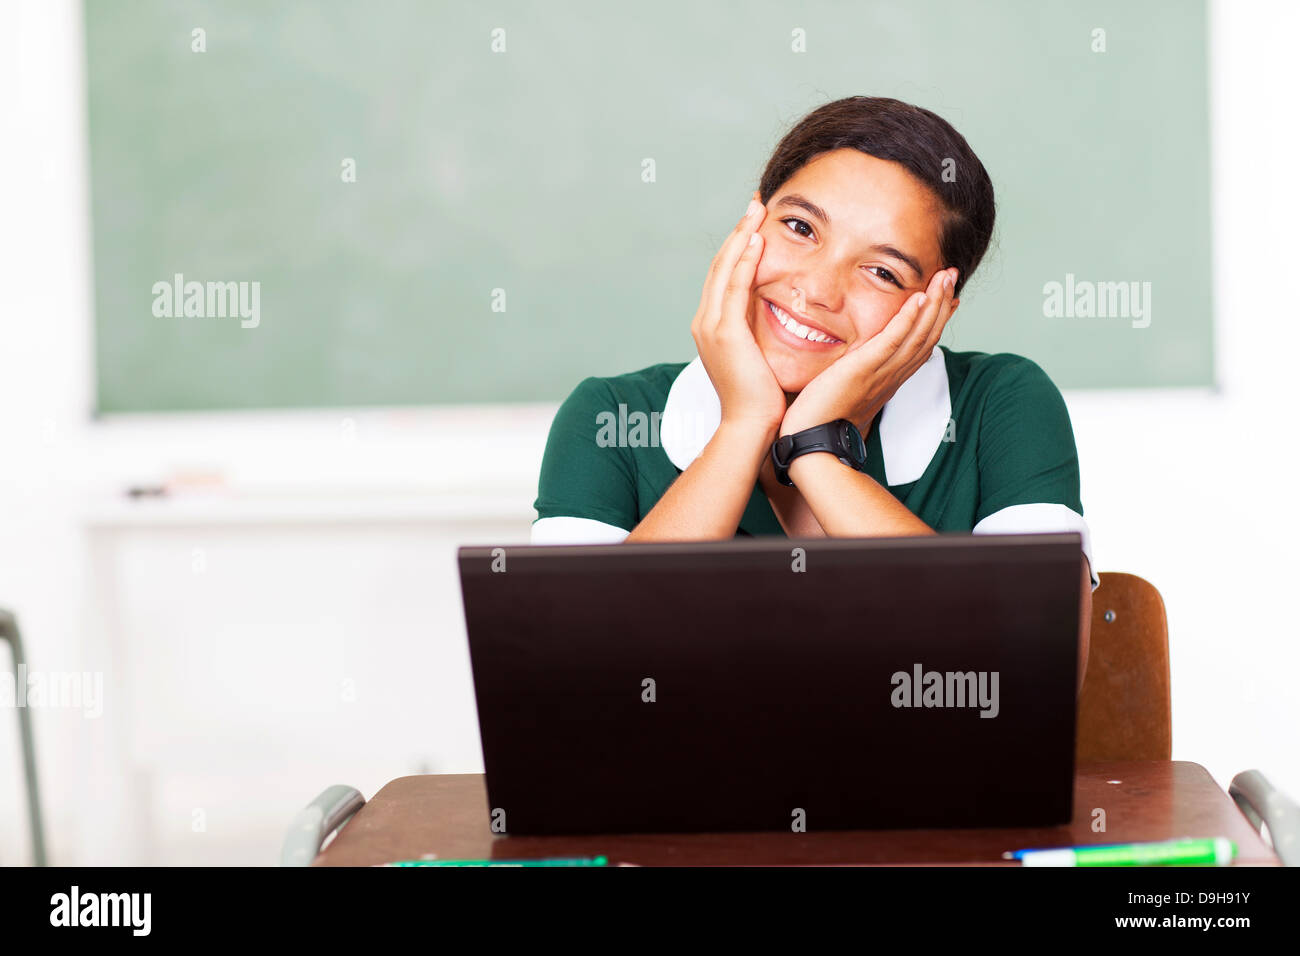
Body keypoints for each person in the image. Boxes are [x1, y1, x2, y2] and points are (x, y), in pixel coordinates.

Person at [531, 96, 1094, 684]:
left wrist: (817, 450)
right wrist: (744, 425)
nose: (819, 290)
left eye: (882, 271)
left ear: (938, 308)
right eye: (800, 228)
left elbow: (1035, 682)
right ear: (750, 225)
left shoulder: (1002, 403)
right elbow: (574, 686)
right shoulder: (612, 417)